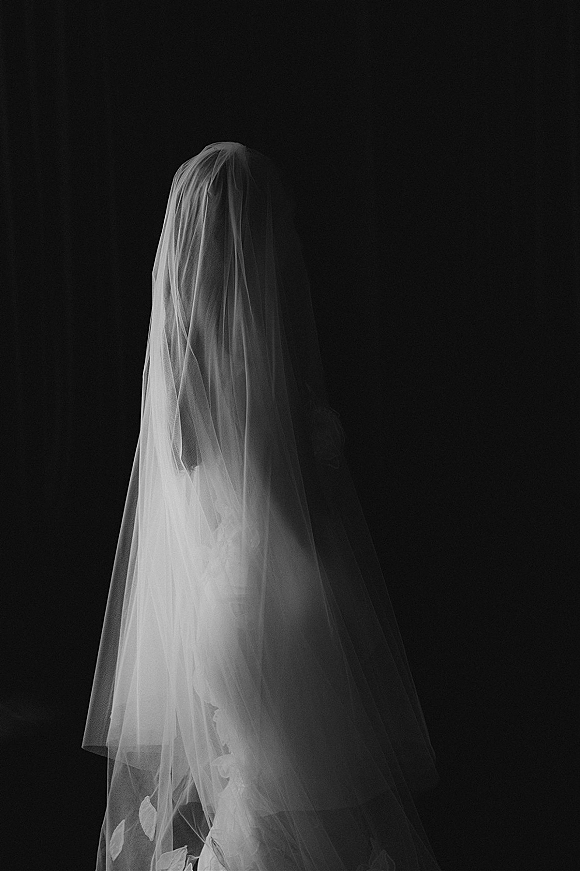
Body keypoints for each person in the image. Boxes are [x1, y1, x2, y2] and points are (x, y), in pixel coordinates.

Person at [82, 142, 443, 871]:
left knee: (279, 805)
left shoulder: (194, 364)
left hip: (235, 596)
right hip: (274, 598)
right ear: (252, 239)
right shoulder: (254, 363)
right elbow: (294, 510)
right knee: (322, 818)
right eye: (285, 220)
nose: (297, 240)